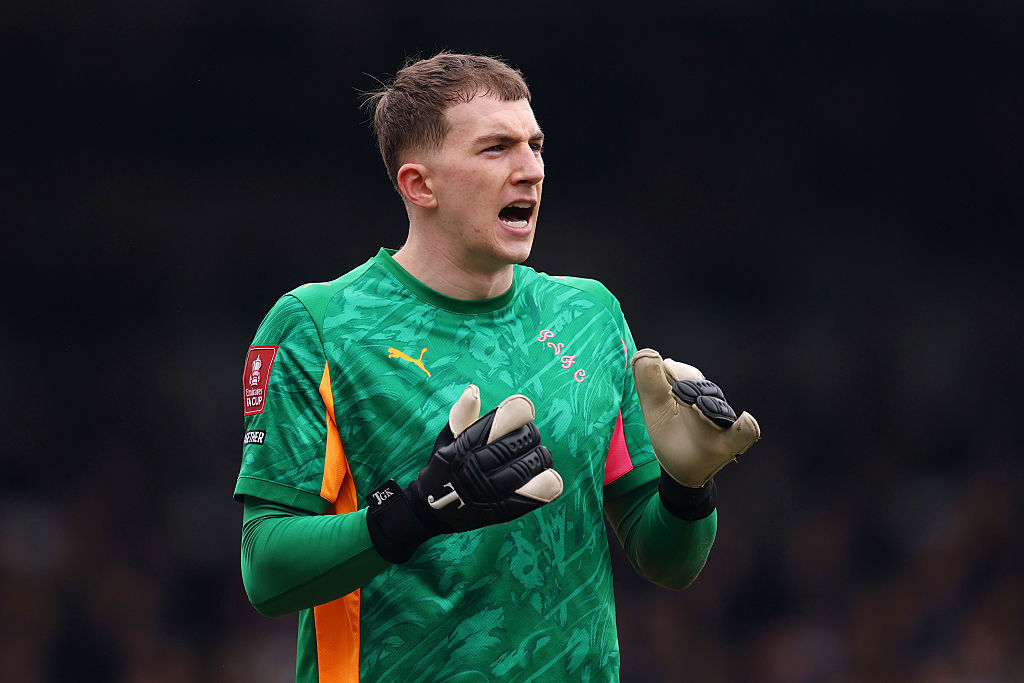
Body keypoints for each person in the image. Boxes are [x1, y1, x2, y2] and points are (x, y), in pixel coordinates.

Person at [235, 52, 760, 682]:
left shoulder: (590, 315)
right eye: (496, 148)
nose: (530, 169)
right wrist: (417, 512)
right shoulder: (317, 325)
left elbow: (667, 562)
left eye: (536, 146)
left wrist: (687, 486)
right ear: (419, 184)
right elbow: (264, 570)